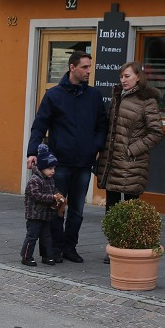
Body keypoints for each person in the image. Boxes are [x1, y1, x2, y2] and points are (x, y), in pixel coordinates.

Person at [27, 50, 108, 263]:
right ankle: (55, 247)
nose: (88, 71)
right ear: (72, 68)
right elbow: (40, 125)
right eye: (84, 67)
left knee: (77, 211)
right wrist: (32, 152)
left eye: (90, 67)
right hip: (59, 163)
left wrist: (95, 146)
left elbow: (102, 125)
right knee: (57, 207)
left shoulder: (94, 96)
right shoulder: (54, 95)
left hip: (83, 163)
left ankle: (70, 247)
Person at [95, 61, 163, 263]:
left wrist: (132, 150)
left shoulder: (147, 100)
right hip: (113, 162)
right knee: (112, 207)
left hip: (132, 163)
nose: (123, 80)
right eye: (121, 77)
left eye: (127, 76)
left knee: (131, 208)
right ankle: (114, 248)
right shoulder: (118, 97)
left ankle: (128, 246)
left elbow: (156, 133)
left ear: (138, 77)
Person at [20, 145, 65, 267]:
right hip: (34, 215)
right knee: (32, 236)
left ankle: (47, 256)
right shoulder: (34, 180)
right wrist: (52, 197)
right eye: (50, 168)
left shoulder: (50, 179)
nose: (53, 171)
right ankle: (26, 256)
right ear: (42, 168)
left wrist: (58, 195)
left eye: (54, 168)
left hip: (46, 214)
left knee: (46, 237)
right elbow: (37, 195)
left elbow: (53, 189)